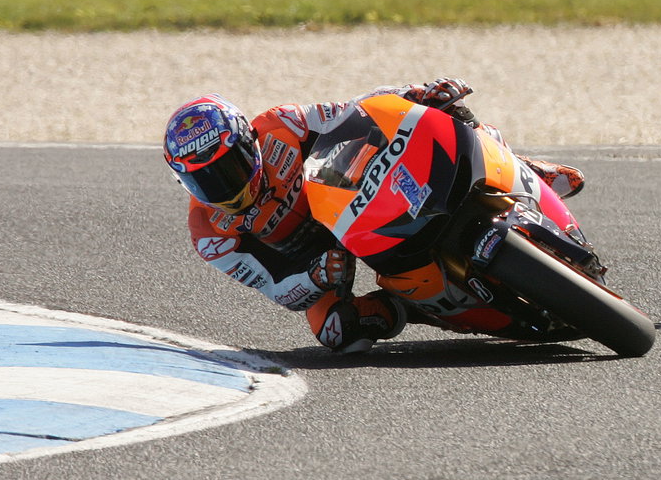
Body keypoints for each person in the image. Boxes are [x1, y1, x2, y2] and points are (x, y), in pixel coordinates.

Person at [162, 77, 587, 353]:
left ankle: (523, 167)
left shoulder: (283, 125)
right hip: (315, 254)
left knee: (446, 112)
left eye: (228, 169)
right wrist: (313, 279)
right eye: (205, 181)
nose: (224, 188)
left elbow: (358, 111)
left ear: (247, 141)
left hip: (343, 193)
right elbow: (276, 288)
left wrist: (416, 94)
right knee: (337, 333)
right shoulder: (210, 234)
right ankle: (412, 306)